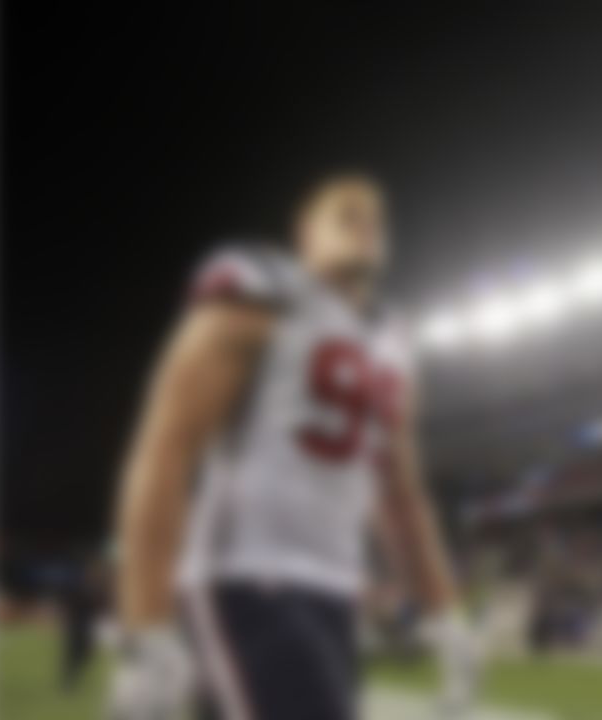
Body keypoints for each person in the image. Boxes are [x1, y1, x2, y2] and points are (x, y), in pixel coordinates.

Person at [108, 173, 479, 719]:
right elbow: (166, 446)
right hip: (246, 578)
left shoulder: (394, 341)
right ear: (305, 233)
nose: (365, 225)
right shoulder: (264, 290)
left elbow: (401, 493)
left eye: (375, 218)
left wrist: (442, 611)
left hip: (337, 591)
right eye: (346, 214)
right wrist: (145, 628)